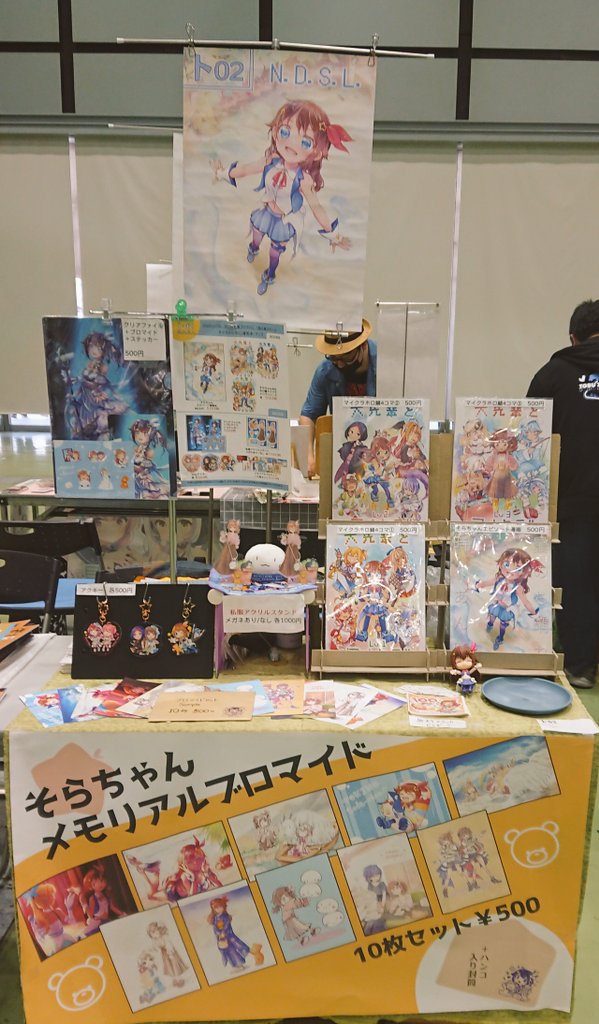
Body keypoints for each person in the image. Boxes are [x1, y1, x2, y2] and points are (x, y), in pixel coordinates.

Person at [527, 299, 599, 688]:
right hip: (575, 500)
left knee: (576, 581)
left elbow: (528, 442)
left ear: (573, 337)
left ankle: (581, 667)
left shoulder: (552, 375)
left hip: (571, 500)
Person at [299, 319, 376, 477]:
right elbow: (308, 416)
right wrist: (308, 456)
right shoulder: (326, 370)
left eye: (346, 358)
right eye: (334, 358)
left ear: (363, 346)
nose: (340, 365)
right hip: (344, 451)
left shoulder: (387, 365)